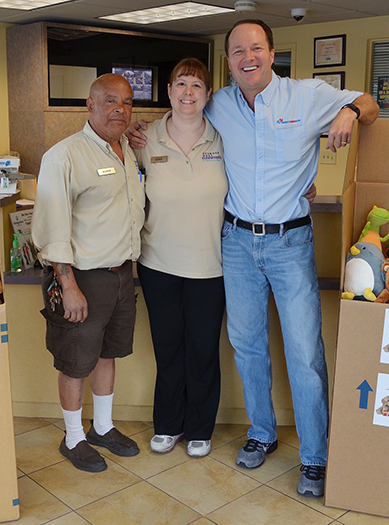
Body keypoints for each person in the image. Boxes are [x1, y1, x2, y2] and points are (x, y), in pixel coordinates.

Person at [205, 19, 379, 497]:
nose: (248, 57)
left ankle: (315, 457)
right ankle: (261, 432)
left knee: (304, 353)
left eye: (256, 47)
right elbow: (180, 123)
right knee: (247, 345)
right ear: (229, 61)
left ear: (272, 51)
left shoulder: (306, 96)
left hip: (289, 243)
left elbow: (371, 104)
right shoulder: (219, 104)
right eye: (237, 50)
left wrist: (347, 111)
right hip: (237, 242)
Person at [31, 74, 144, 473]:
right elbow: (51, 226)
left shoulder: (127, 150)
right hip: (81, 278)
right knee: (75, 360)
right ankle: (73, 436)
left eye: (128, 102)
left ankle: (102, 427)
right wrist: (68, 285)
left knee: (106, 354)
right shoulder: (64, 156)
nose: (120, 109)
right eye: (110, 101)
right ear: (89, 105)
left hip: (121, 274)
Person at [135, 58, 227, 458]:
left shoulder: (225, 138)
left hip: (212, 265)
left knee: (204, 348)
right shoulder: (143, 139)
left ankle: (200, 427)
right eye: (181, 84)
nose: (188, 93)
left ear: (208, 95)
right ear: (169, 91)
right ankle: (169, 424)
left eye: (197, 86)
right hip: (158, 264)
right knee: (168, 347)